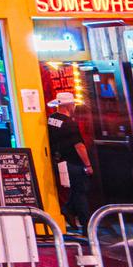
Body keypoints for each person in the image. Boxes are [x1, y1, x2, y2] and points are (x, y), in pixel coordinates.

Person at [46, 91, 94, 234]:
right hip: (73, 162)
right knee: (81, 191)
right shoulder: (69, 124)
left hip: (59, 161)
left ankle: (68, 209)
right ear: (68, 106)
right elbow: (79, 146)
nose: (74, 107)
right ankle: (87, 226)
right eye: (73, 104)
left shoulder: (51, 119)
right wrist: (88, 165)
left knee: (76, 190)